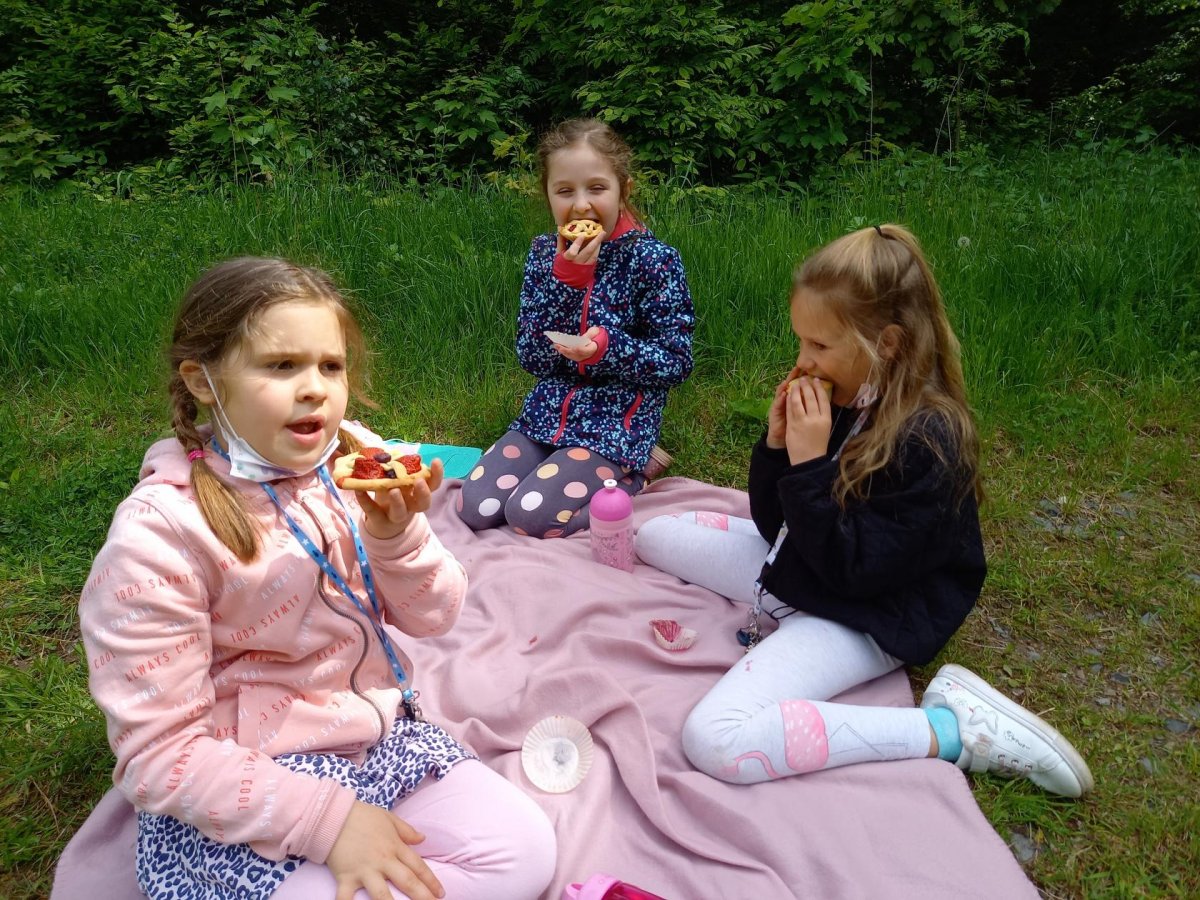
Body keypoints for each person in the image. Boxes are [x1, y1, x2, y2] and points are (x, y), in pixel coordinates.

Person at [76, 257, 556, 900]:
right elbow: (160, 756)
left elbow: (434, 617)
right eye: (281, 366)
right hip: (247, 779)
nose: (315, 389)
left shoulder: (356, 460)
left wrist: (395, 538)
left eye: (331, 366)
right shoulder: (159, 538)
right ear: (202, 380)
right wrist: (330, 825)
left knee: (526, 849)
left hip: (374, 741)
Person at [635, 225, 1094, 798]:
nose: (803, 361)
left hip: (870, 610)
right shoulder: (851, 396)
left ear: (889, 344)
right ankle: (782, 610)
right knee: (653, 535)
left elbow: (854, 572)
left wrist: (808, 467)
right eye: (801, 341)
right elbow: (777, 526)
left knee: (715, 738)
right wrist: (777, 449)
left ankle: (953, 730)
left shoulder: (930, 441)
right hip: (817, 562)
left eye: (820, 346)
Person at [456, 118, 694, 538]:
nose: (581, 205)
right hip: (547, 412)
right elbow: (532, 356)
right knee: (475, 507)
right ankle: (558, 469)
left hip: (616, 423)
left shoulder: (654, 261)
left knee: (530, 516)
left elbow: (676, 362)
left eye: (596, 188)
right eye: (565, 191)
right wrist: (566, 283)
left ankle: (636, 475)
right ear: (548, 195)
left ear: (623, 190)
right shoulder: (543, 254)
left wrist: (608, 348)